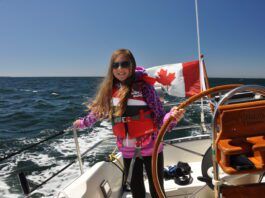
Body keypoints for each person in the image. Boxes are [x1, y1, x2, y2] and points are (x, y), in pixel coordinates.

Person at [73, 49, 185, 198]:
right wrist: (82, 123)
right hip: (127, 148)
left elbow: (160, 119)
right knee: (136, 188)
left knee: (157, 188)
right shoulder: (109, 90)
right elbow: (98, 113)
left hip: (152, 146)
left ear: (131, 66)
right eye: (116, 65)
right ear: (111, 68)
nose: (120, 69)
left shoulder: (145, 87)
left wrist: (172, 117)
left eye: (124, 64)